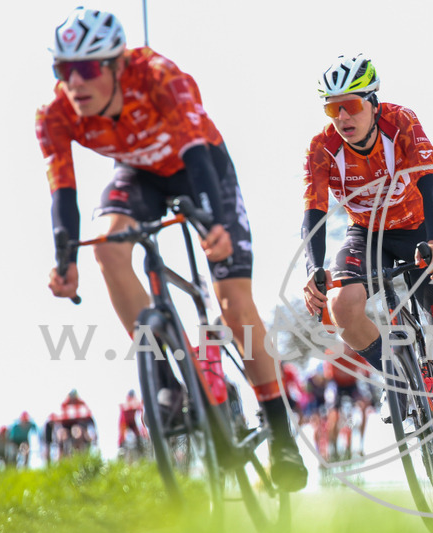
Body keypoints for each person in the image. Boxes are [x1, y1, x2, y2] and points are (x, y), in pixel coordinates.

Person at [37, 8, 305, 489]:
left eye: (88, 68)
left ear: (117, 65)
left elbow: (195, 151)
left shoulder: (159, 77)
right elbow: (63, 191)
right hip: (138, 174)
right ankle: (165, 381)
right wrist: (64, 262)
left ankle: (281, 433)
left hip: (199, 166)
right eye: (63, 69)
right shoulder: (54, 114)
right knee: (107, 250)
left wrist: (214, 224)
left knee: (234, 303)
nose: (74, 83)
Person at [299, 54, 433, 497]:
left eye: (351, 105)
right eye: (333, 108)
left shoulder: (402, 123)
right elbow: (313, 212)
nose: (343, 116)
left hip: (417, 229)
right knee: (340, 303)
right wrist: (314, 270)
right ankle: (398, 377)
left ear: (372, 101)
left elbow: (431, 185)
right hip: (365, 234)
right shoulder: (322, 147)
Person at [117, 389, 146, 455]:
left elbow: (140, 410)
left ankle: (141, 451)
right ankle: (121, 450)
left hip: (132, 423)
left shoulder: (135, 401)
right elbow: (123, 406)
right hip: (124, 422)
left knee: (139, 436)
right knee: (122, 438)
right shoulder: (127, 402)